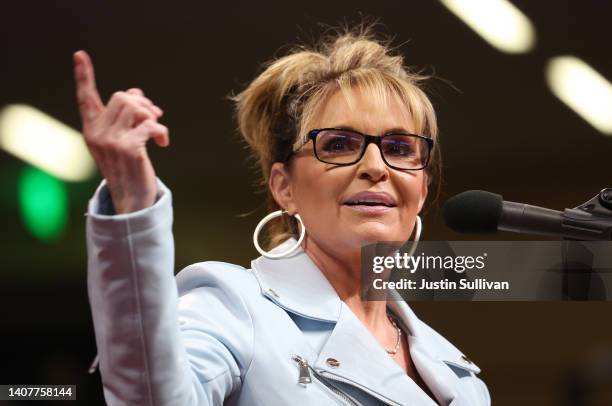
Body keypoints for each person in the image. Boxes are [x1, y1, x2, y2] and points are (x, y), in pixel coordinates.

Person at [76, 25, 491, 406]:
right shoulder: (234, 306)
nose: (376, 166)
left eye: (399, 149)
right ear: (284, 187)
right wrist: (132, 206)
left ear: (421, 190)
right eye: (340, 144)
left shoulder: (463, 377)